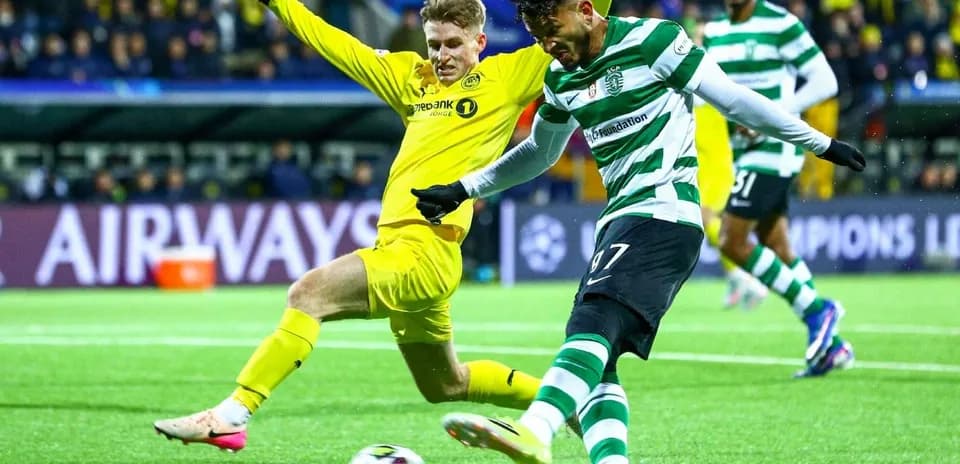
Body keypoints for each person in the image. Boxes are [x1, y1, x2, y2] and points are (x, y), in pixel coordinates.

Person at [410, 1, 864, 462]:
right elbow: (539, 153)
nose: (547, 43)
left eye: (552, 28)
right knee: (597, 361)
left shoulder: (654, 41)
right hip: (620, 220)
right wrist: (464, 188)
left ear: (586, 10)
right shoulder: (559, 77)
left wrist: (819, 142)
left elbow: (732, 99)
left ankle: (535, 429)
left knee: (594, 325)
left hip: (665, 214)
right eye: (536, 35)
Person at [152, 0, 612, 452]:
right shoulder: (414, 79)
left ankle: (231, 417)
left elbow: (588, 13)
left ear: (480, 42)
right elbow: (335, 43)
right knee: (446, 386)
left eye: (454, 44)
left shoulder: (508, 77)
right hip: (402, 249)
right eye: (434, 44)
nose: (442, 55)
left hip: (425, 252)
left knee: (308, 294)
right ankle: (566, 401)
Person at [703, 0, 855, 378]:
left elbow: (825, 81)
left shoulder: (780, 23)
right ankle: (830, 348)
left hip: (775, 148)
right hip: (742, 153)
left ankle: (820, 310)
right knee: (777, 245)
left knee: (732, 241)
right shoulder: (715, 33)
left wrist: (772, 113)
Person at [690, 19, 767, 309]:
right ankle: (737, 277)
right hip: (703, 165)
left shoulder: (711, 76)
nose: (694, 39)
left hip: (718, 165)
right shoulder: (689, 78)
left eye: (700, 36)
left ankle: (749, 275)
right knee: (708, 225)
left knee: (706, 219)